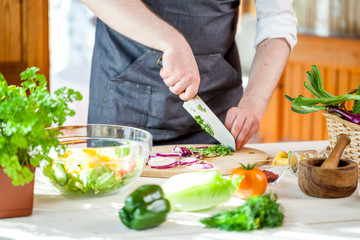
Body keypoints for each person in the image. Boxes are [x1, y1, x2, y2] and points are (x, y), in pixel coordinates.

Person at [79, 0, 297, 150]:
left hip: (217, 108)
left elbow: (277, 20)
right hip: (126, 99)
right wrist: (169, 41)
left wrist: (253, 104)